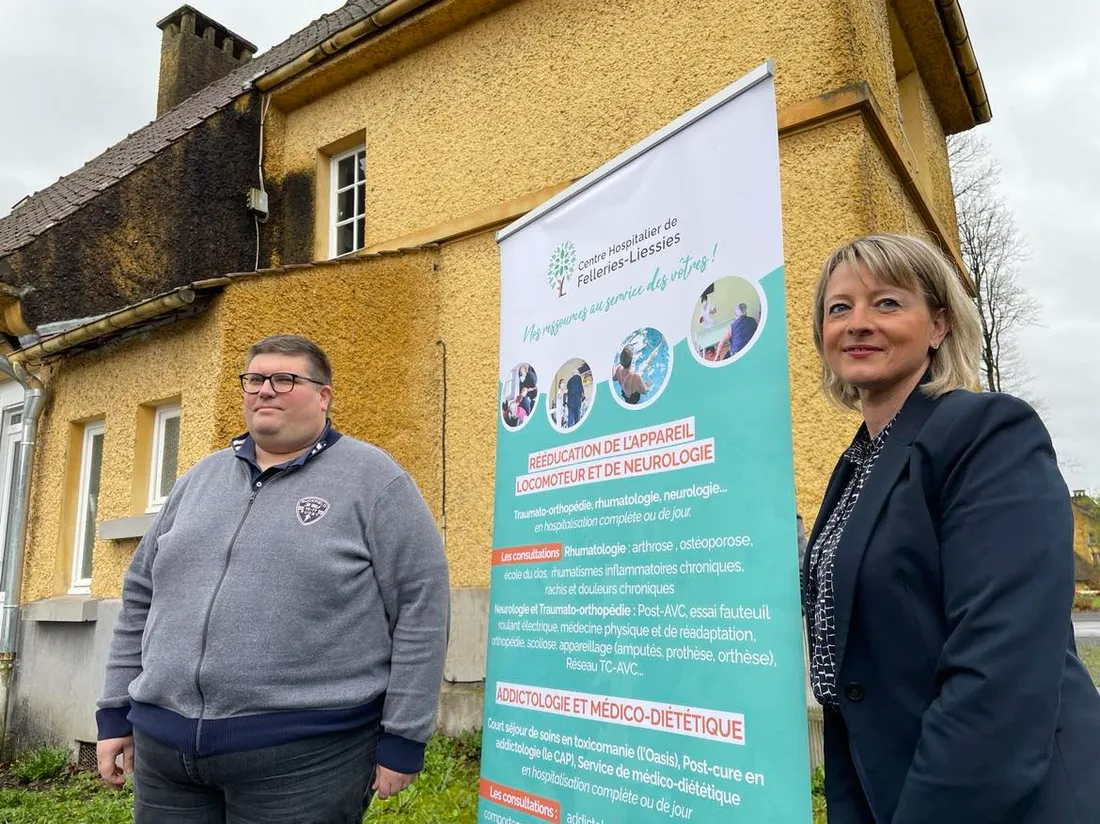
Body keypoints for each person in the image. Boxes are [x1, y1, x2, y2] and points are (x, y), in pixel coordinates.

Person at [803, 234, 1100, 823]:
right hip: (884, 785)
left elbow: (1000, 671)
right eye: (839, 308)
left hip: (998, 798)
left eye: (887, 303)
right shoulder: (858, 465)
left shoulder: (987, 434)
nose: (858, 323)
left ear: (939, 325)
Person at [95, 334, 450, 823]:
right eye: (255, 379)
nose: (265, 390)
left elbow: (421, 607)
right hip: (166, 756)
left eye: (285, 379)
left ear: (323, 395)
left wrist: (404, 735)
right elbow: (140, 594)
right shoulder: (199, 480)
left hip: (305, 759)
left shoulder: (375, 482)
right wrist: (116, 710)